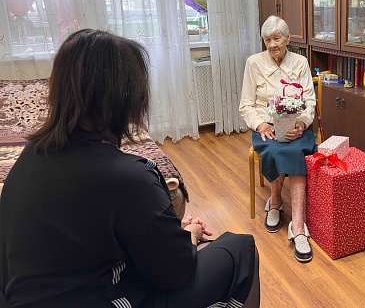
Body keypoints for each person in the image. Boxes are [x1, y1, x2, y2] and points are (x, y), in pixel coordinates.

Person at [0, 29, 260, 308]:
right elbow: (175, 272)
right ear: (125, 98)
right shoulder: (128, 177)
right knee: (239, 247)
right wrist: (190, 235)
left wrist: (169, 235)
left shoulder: (31, 155)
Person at [239, 16, 317, 263]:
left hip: (297, 126)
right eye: (267, 40)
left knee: (297, 151)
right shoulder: (253, 63)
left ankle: (298, 227)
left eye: (277, 38)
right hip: (266, 126)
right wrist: (261, 125)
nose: (272, 44)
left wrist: (302, 123)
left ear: (288, 39)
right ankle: (275, 202)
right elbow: (246, 105)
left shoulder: (300, 62)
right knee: (275, 149)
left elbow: (310, 101)